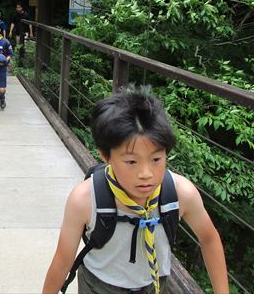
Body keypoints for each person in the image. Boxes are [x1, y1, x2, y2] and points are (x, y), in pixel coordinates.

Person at [42, 87, 229, 294]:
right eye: (131, 161)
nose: (146, 173)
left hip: (154, 286)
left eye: (156, 159)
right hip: (99, 287)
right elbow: (63, 260)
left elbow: (209, 239)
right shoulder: (85, 199)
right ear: (106, 156)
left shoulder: (180, 193)